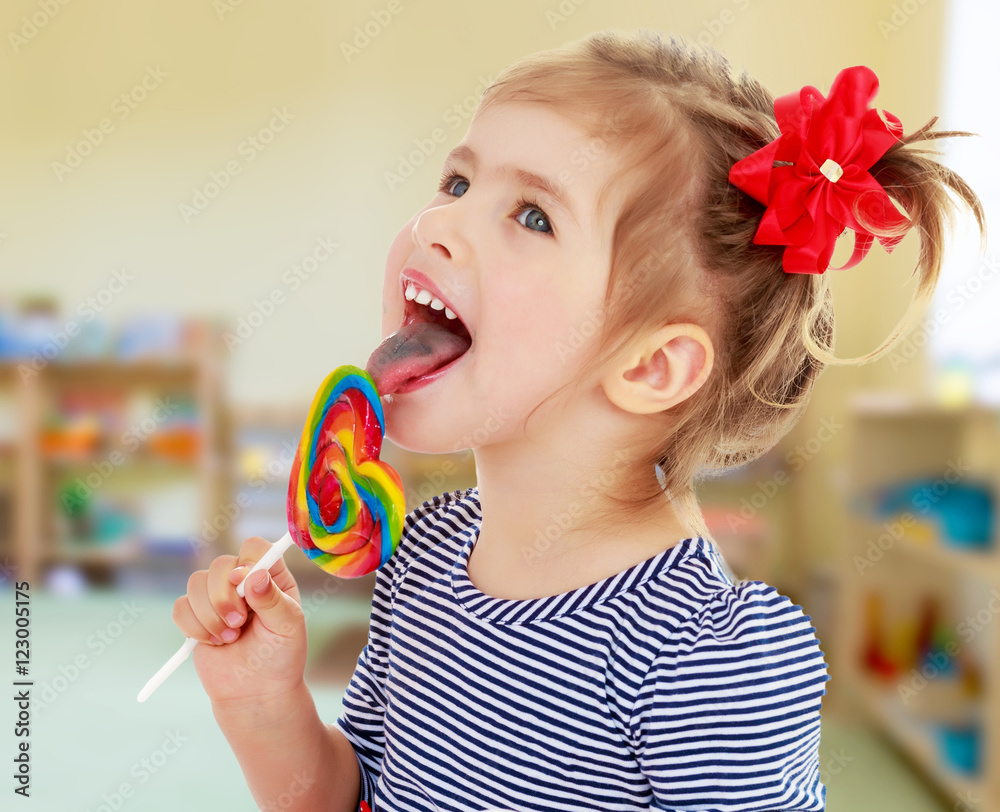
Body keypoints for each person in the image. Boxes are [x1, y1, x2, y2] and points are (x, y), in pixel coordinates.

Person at [172, 28, 984, 811]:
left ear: (649, 367)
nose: (435, 224)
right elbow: (350, 798)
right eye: (457, 183)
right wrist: (262, 706)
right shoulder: (421, 556)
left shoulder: (702, 659)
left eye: (532, 215)